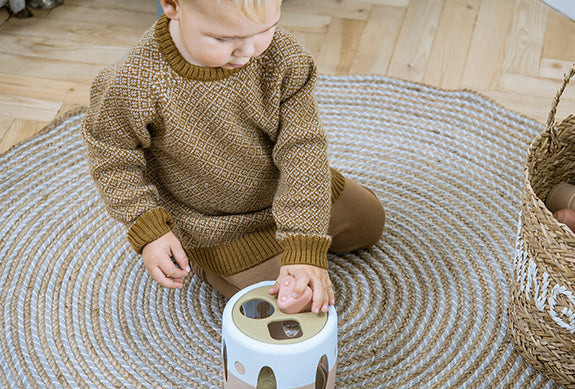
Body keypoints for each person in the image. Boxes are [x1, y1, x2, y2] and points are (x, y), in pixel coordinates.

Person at [82, 0, 385, 315]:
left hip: (280, 188)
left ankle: (293, 230)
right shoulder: (132, 81)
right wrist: (148, 228)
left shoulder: (282, 56)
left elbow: (303, 148)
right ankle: (204, 260)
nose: (248, 51)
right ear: (172, 5)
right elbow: (112, 157)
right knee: (294, 305)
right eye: (223, 40)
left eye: (265, 29)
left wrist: (304, 246)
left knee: (371, 222)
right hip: (216, 223)